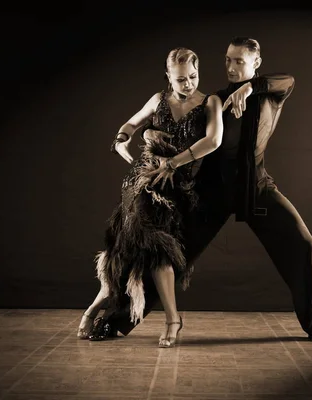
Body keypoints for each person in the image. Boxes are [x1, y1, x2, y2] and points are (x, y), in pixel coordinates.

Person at [86, 36, 312, 344]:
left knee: (305, 245)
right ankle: (115, 322)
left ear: (255, 63)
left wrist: (251, 86)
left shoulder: (270, 94)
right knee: (166, 254)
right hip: (212, 192)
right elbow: (185, 130)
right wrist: (140, 136)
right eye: (228, 60)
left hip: (254, 187)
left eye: (239, 62)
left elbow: (288, 80)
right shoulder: (215, 100)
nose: (231, 68)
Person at [77, 47, 224, 348]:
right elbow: (130, 124)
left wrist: (174, 162)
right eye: (181, 79)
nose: (188, 84)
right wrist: (122, 138)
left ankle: (171, 319)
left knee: (158, 251)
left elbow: (214, 140)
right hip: (139, 182)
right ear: (168, 76)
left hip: (175, 190)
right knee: (121, 253)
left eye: (193, 77)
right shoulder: (159, 99)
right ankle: (97, 307)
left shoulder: (210, 102)